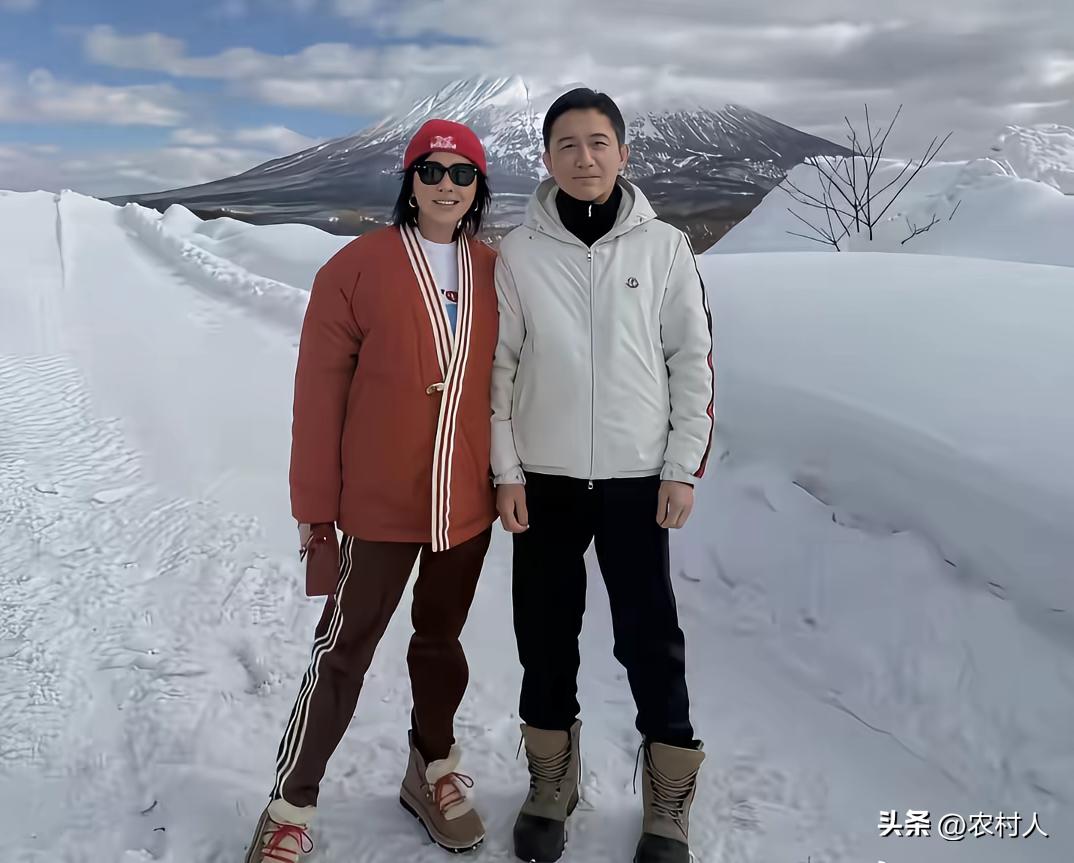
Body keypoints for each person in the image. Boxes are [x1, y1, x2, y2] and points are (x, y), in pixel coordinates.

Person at [243, 119, 500, 863]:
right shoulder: (355, 268)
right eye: (431, 170)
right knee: (345, 648)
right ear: (408, 182)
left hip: (466, 500)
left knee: (441, 641)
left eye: (462, 174)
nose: (446, 185)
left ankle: (433, 767)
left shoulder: (496, 270)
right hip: (379, 500)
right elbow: (317, 398)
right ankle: (293, 801)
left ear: (479, 187)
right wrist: (315, 509)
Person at [490, 88, 715, 863]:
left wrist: (681, 468)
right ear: (546, 158)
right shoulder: (518, 253)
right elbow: (500, 365)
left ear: (624, 152)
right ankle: (552, 784)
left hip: (635, 477)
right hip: (544, 478)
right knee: (544, 634)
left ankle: (668, 800)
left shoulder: (666, 248)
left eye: (597, 143)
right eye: (566, 145)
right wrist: (505, 469)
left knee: (650, 637)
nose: (583, 158)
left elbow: (692, 360)